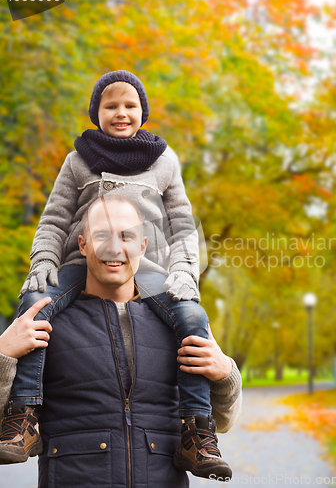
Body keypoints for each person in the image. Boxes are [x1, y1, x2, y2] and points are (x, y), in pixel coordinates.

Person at [0, 70, 230, 478]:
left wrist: (184, 273)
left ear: (143, 111)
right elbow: (53, 220)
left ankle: (197, 431)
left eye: (130, 106)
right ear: (96, 112)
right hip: (75, 266)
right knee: (35, 305)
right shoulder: (78, 161)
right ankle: (23, 418)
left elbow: (182, 224)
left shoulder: (163, 160)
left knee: (193, 316)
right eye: (111, 106)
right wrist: (43, 264)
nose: (121, 113)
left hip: (156, 271)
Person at [0, 196, 242, 486]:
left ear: (143, 245)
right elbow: (9, 426)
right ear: (83, 245)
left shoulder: (176, 323)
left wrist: (226, 374)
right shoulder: (45, 321)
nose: (114, 248)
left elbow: (223, 422)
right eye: (101, 235)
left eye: (126, 236)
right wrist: (3, 354)